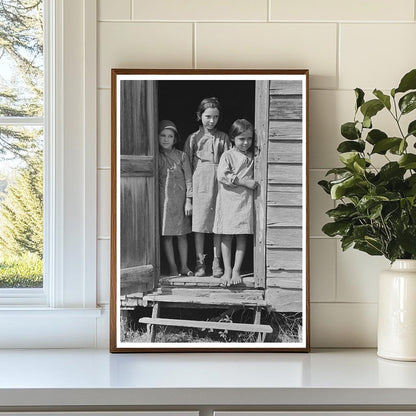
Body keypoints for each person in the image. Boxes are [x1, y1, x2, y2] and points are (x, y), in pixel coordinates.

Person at [184, 97, 230, 278]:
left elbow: (228, 161)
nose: (212, 121)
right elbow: (186, 165)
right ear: (199, 116)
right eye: (208, 116)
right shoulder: (193, 138)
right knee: (200, 224)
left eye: (216, 117)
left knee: (217, 224)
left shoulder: (224, 137)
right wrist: (189, 195)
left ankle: (216, 261)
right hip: (199, 182)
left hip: (218, 183)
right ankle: (200, 263)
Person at [213, 119, 258, 286]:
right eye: (241, 139)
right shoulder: (228, 155)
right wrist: (244, 182)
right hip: (229, 200)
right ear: (233, 138)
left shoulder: (254, 156)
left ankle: (237, 270)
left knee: (242, 234)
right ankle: (227, 270)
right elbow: (222, 175)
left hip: (245, 201)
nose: (246, 142)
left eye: (249, 139)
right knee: (226, 235)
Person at [158, 119, 193, 277]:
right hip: (163, 201)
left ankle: (184, 266)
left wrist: (189, 200)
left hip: (180, 201)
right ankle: (172, 267)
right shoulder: (156, 157)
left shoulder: (182, 156)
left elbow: (188, 179)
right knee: (167, 236)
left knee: (181, 234)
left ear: (175, 138)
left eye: (170, 136)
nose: (166, 139)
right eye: (163, 135)